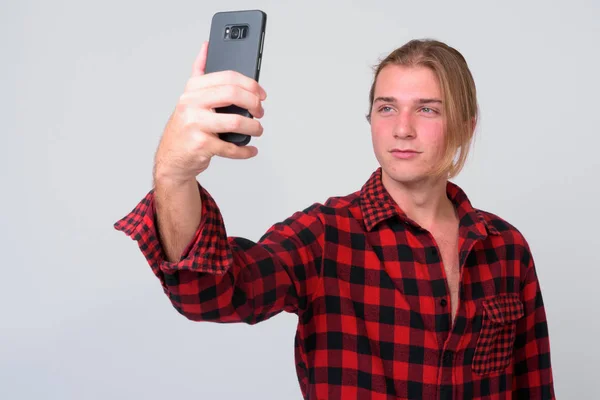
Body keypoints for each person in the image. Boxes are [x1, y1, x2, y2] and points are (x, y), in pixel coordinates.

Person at [114, 38, 555, 399]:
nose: (402, 128)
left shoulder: (505, 248)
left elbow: (534, 388)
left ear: (466, 126)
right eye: (386, 108)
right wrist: (174, 174)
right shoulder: (324, 235)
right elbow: (208, 293)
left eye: (427, 109)